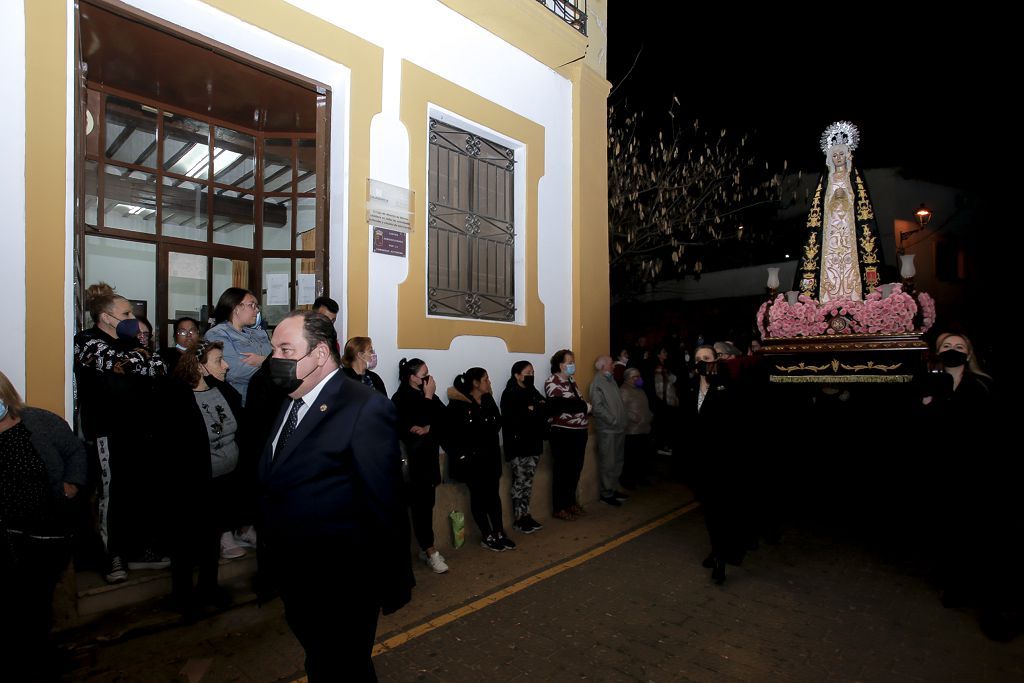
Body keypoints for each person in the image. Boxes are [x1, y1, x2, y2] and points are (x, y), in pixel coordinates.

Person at [259, 311, 413, 681]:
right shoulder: (290, 399)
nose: (275, 359)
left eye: (285, 349)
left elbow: (385, 499)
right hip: (296, 577)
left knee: (344, 667)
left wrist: (394, 580)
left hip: (343, 584)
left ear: (319, 353)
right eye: (273, 349)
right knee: (322, 664)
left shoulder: (364, 406)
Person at [74, 282, 167, 583]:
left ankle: (138, 549)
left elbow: (159, 367)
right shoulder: (86, 341)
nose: (133, 318)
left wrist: (139, 360)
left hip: (140, 431)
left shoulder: (132, 344)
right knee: (111, 493)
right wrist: (138, 361)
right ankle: (111, 555)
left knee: (140, 489)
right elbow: (120, 365)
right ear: (105, 317)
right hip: (106, 432)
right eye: (126, 312)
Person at [1, 370, 88, 678]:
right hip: (10, 535)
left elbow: (76, 451)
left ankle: (41, 656)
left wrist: (72, 483)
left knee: (38, 599)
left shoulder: (39, 421)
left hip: (47, 533)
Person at [161, 341, 246, 614]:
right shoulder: (176, 399)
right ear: (199, 366)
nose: (226, 365)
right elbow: (171, 448)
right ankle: (183, 596)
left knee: (212, 539)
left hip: (224, 482)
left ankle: (209, 588)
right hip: (192, 486)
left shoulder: (225, 391)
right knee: (185, 543)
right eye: (219, 360)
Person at [795, 121, 882, 302]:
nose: (839, 158)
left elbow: (860, 203)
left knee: (851, 260)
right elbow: (821, 204)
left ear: (848, 155)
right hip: (831, 228)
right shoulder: (828, 178)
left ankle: (855, 297)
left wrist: (847, 196)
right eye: (835, 155)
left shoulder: (854, 176)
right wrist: (834, 198)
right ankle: (826, 299)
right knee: (830, 261)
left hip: (850, 226)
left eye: (842, 154)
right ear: (830, 158)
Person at [681, 345, 743, 585]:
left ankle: (721, 557)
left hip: (724, 461)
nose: (702, 363)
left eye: (706, 358)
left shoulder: (727, 387)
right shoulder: (689, 388)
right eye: (698, 359)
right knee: (709, 510)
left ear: (716, 360)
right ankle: (718, 549)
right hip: (700, 462)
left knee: (723, 509)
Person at [446, 368, 513, 552]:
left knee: (493, 496)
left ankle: (499, 531)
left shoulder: (488, 400)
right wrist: (462, 455)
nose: (489, 382)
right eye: (485, 379)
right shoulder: (458, 404)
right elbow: (452, 434)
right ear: (475, 383)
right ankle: (486, 534)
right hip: (472, 462)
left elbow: (496, 423)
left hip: (490, 458)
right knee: (479, 498)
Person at [392, 357, 449, 573]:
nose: (428, 379)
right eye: (424, 375)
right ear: (412, 377)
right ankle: (430, 550)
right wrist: (427, 398)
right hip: (412, 466)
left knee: (427, 506)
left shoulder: (429, 396)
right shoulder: (401, 398)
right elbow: (407, 430)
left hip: (429, 461)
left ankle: (426, 548)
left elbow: (443, 419)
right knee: (420, 509)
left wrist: (429, 428)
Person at [499, 361, 547, 534]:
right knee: (519, 482)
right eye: (527, 372)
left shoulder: (532, 391)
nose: (531, 375)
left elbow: (544, 407)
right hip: (518, 446)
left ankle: (526, 514)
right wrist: (531, 411)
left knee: (528, 482)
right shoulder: (509, 393)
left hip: (533, 444)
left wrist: (532, 410)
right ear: (517, 375)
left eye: (532, 372)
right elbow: (513, 420)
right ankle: (519, 518)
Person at [204, 288, 271, 406]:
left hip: (267, 398)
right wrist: (271, 364)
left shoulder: (259, 334)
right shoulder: (217, 334)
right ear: (236, 308)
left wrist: (262, 361)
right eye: (252, 305)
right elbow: (235, 371)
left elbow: (275, 356)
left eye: (257, 306)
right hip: (241, 401)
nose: (256, 310)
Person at [545, 349, 590, 521]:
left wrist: (583, 408)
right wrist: (584, 407)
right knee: (562, 470)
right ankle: (559, 507)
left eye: (573, 362)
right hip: (563, 433)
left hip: (579, 432)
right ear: (560, 364)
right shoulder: (552, 382)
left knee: (575, 469)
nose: (572, 365)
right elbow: (562, 405)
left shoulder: (572, 381)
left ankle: (570, 503)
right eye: (569, 362)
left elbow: (577, 403)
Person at [590, 356, 628, 507]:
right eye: (612, 363)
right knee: (608, 462)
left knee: (617, 461)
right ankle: (606, 493)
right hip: (607, 430)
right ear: (603, 366)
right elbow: (597, 407)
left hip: (618, 428)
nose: (614, 365)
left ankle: (613, 488)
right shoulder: (597, 382)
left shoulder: (611, 380)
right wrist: (612, 420)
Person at [620, 367, 653, 488]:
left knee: (642, 457)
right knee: (631, 458)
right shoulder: (624, 390)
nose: (639, 379)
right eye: (635, 377)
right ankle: (628, 481)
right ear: (628, 379)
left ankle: (641, 478)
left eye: (639, 376)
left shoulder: (640, 390)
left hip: (644, 428)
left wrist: (649, 415)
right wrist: (635, 418)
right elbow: (622, 409)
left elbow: (645, 405)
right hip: (632, 430)